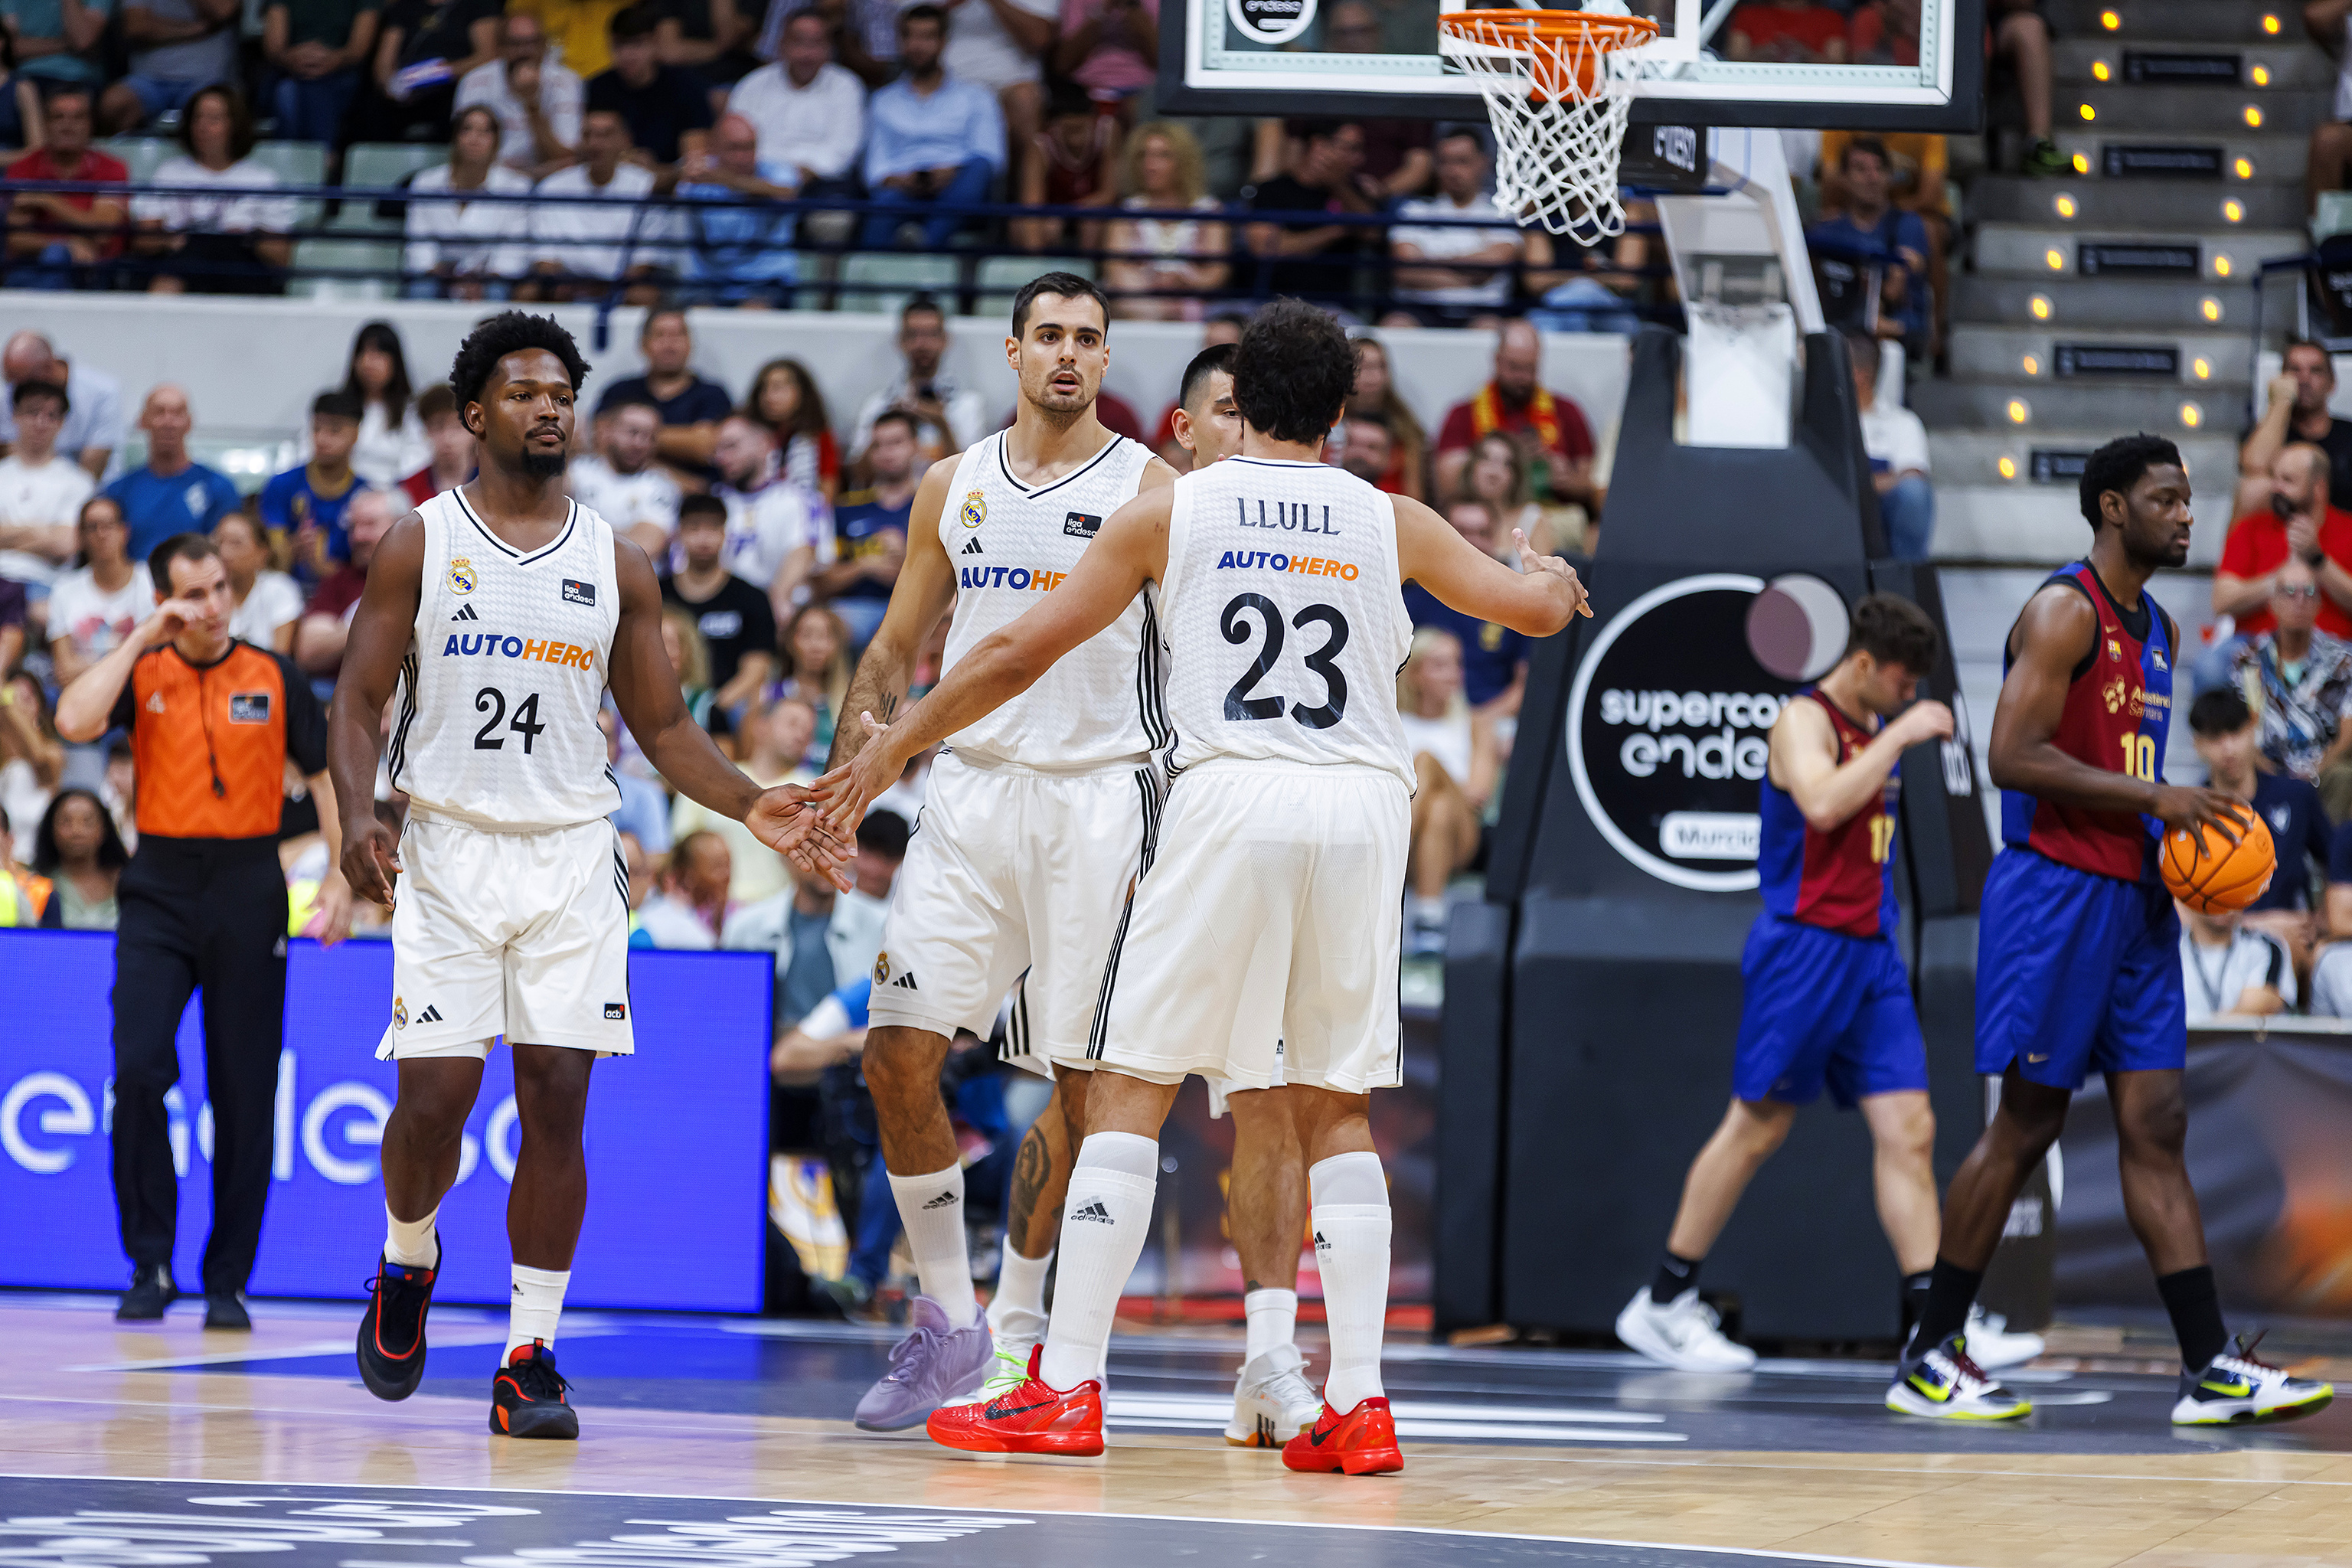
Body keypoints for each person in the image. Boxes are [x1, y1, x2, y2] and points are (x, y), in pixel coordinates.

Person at [811, 297, 1587, 1471]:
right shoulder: (1393, 519)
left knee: (1126, 1086)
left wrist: (893, 745)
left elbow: (1017, 648)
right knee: (1337, 1104)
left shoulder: (1167, 508)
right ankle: (1361, 1403)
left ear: (1234, 407)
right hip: (1362, 809)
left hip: (1227, 800)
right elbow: (1533, 611)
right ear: (1340, 409)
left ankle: (1063, 1385)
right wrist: (1550, 571)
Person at [328, 311, 831, 1439]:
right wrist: (359, 815)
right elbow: (356, 700)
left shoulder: (618, 559)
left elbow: (661, 725)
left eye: (561, 391)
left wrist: (755, 802)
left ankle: (530, 1355)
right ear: (474, 414)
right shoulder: (420, 540)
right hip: (449, 846)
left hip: (568, 854)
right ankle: (409, 1257)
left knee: (557, 1101)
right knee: (435, 1102)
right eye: (523, 391)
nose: (549, 406)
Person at [1890, 434, 2335, 1428]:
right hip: (2054, 896)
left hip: (2133, 903)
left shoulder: (2165, 629)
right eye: (2165, 499)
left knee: (2157, 1126)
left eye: (2187, 499)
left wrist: (2170, 834)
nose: (2186, 515)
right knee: (2027, 1123)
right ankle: (1928, 1353)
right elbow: (2011, 754)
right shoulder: (2062, 611)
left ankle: (2207, 1365)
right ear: (2109, 509)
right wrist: (2158, 797)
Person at [799, 273, 1174, 1433]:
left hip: (1098, 802)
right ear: (1012, 351)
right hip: (966, 798)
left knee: (1077, 1083)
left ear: (1107, 359)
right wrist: (850, 766)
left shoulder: (1153, 489)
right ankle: (951, 1326)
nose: (1068, 356)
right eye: (1049, 337)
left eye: (1089, 340)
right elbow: (898, 642)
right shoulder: (949, 484)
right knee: (894, 1056)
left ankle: (1026, 1340)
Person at [1617, 594, 2032, 1370]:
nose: (1910, 698)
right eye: (1902, 685)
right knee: (1757, 1126)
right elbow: (1822, 799)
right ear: (1866, 664)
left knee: (1911, 1131)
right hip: (1804, 948)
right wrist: (1903, 734)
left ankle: (1934, 1324)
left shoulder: (1877, 718)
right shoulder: (1803, 720)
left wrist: (1894, 729)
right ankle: (1665, 1300)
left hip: (1871, 950)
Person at [54, 531, 356, 1327]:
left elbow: (324, 774)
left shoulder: (272, 671)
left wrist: (337, 875)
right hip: (156, 885)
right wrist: (140, 640)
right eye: (195, 593)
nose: (214, 606)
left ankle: (228, 1278)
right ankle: (149, 1260)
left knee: (245, 1088)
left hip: (248, 885)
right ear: (164, 600)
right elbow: (73, 718)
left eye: (222, 587)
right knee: (141, 1067)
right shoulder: (144, 667)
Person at [2188, 686, 2329, 977]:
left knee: (2313, 949)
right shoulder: (2189, 809)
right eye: (2215, 738)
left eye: (2235, 733)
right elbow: (2179, 903)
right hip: (2214, 942)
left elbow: (2338, 862)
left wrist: (2322, 918)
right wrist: (2257, 924)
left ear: (2253, 729)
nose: (2228, 748)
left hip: (2288, 940)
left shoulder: (2296, 796)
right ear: (2198, 744)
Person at [859, 5, 1007, 252]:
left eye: (927, 37)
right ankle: (862, 286)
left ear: (943, 42)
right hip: (903, 190)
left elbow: (992, 157)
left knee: (978, 170)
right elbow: (875, 167)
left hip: (958, 188)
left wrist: (949, 173)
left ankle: (924, 244)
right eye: (911, 37)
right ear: (901, 42)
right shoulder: (883, 101)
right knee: (884, 202)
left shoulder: (977, 97)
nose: (918, 46)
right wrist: (904, 180)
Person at [127, 87, 296, 296]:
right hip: (179, 259)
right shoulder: (170, 172)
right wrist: (172, 239)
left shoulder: (262, 179)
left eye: (214, 120)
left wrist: (247, 236)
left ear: (234, 126)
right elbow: (144, 241)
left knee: (220, 248)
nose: (202, 127)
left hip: (239, 266)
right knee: (194, 249)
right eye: (197, 119)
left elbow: (281, 257)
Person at [1396, 626, 1501, 956]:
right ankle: (1429, 922)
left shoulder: (1475, 722)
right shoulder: (1392, 720)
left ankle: (1389, 846)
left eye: (1457, 664)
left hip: (1463, 836)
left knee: (1426, 763)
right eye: (1439, 665)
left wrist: (1430, 775)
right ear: (1414, 675)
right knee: (1438, 809)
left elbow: (1478, 794)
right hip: (1426, 836)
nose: (1453, 675)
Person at [1433, 321, 1598, 518]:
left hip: (1550, 516)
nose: (1522, 377)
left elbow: (1594, 483)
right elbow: (1447, 487)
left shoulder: (1567, 411)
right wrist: (1505, 459)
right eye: (1514, 367)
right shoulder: (1463, 414)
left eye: (1529, 368)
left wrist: (1564, 478)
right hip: (1485, 518)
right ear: (1497, 360)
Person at [2226, 555, 2352, 813]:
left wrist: (2317, 771)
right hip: (2265, 769)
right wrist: (2274, 774)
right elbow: (2243, 727)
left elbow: (2348, 731)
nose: (2300, 601)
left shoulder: (2342, 660)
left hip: (2324, 770)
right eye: (2290, 592)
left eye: (2309, 593)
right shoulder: (2249, 660)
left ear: (2319, 604)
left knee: (2344, 777)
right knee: (2234, 772)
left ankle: (2332, 852)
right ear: (2272, 603)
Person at [2214, 443, 2352, 664]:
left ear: (2318, 487)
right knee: (2210, 668)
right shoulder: (2251, 528)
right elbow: (2222, 601)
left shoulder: (2348, 529)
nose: (2276, 488)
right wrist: (2278, 580)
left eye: (2288, 480)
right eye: (2274, 478)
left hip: (2335, 647)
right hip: (2257, 644)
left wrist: (2318, 560)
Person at [528, 109, 676, 304]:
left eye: (605, 135)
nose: (595, 143)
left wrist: (607, 287)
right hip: (566, 288)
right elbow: (544, 261)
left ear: (625, 140)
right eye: (587, 135)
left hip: (623, 289)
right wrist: (565, 283)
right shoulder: (552, 187)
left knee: (644, 295)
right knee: (529, 293)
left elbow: (643, 264)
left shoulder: (646, 187)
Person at [1386, 128, 1524, 328]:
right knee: (1395, 325)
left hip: (1481, 313)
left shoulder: (1501, 213)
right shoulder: (1413, 210)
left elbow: (1493, 264)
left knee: (1490, 329)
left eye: (1462, 161)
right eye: (1445, 162)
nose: (1452, 171)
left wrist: (1428, 263)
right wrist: (1472, 274)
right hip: (1419, 311)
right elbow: (1406, 272)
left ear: (1483, 163)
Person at [1806, 138, 1929, 354]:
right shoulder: (1826, 231)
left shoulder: (1906, 225)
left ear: (1890, 176)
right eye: (1860, 169)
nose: (1872, 178)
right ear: (1844, 178)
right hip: (1834, 328)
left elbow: (1895, 291)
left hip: (1891, 336)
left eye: (1879, 169)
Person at [403, 104, 536, 300]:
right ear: (456, 137)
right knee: (422, 288)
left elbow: (511, 252)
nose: (475, 139)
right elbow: (419, 246)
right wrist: (447, 277)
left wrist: (484, 279)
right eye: (467, 130)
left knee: (496, 292)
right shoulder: (426, 182)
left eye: (484, 132)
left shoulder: (517, 187)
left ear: (496, 142)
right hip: (439, 276)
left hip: (489, 278)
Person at [5, 85, 130, 291]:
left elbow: (101, 232)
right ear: (46, 124)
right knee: (54, 256)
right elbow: (16, 238)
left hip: (96, 271)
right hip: (30, 269)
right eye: (58, 117)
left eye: (77, 118)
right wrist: (67, 243)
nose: (67, 126)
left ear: (90, 125)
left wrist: (46, 200)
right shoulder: (23, 169)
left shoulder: (112, 168)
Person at [1102, 122, 1230, 322]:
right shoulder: (1127, 212)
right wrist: (1152, 283)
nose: (1150, 164)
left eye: (1163, 156)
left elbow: (1217, 273)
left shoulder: (1210, 211)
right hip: (1138, 304)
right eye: (1143, 155)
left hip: (1194, 303)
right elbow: (1115, 270)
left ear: (1184, 163)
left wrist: (1186, 280)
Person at [663, 492, 777, 718]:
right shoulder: (657, 593)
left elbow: (757, 667)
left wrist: (711, 708)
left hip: (728, 706)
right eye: (694, 528)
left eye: (713, 529)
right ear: (679, 533)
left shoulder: (751, 598)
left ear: (725, 534)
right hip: (664, 701)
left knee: (753, 708)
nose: (704, 539)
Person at [724, 8, 866, 190]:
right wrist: (773, 176)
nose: (806, 53)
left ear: (829, 47)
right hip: (757, 180)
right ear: (782, 44)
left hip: (820, 184)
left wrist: (796, 175)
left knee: (834, 215)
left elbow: (843, 152)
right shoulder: (753, 85)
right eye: (798, 42)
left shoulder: (847, 86)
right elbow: (734, 139)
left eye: (815, 43)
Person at [813, 409, 920, 648]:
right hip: (854, 609)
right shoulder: (846, 508)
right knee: (821, 625)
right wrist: (864, 566)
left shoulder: (933, 505)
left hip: (915, 608)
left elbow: (950, 582)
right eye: (877, 445)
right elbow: (820, 584)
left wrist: (903, 561)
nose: (886, 453)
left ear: (916, 446)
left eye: (896, 443)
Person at [1246, 119, 1380, 308]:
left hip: (1332, 308)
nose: (1359, 159)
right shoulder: (1272, 190)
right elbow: (1264, 248)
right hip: (1272, 303)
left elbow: (1373, 231)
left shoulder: (1354, 193)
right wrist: (1335, 231)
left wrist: (1337, 185)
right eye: (1351, 148)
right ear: (1319, 146)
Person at [596, 308, 733, 488]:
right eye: (660, 336)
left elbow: (706, 447)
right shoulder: (619, 391)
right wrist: (668, 470)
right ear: (643, 345)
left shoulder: (713, 395)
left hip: (696, 505)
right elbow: (600, 442)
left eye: (677, 335)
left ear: (690, 344)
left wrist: (631, 437)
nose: (669, 345)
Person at [676, 112, 799, 308]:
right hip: (708, 282)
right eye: (734, 148)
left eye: (749, 147)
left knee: (752, 318)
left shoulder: (777, 171)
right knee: (698, 317)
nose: (743, 157)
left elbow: (786, 193)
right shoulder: (698, 176)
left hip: (766, 280)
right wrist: (679, 173)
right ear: (714, 148)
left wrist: (728, 181)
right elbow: (673, 189)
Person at [710, 413, 830, 614]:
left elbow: (807, 555)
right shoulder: (711, 503)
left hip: (785, 611)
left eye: (731, 446)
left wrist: (772, 605)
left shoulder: (801, 500)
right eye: (718, 450)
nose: (722, 458)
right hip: (722, 612)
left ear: (765, 445)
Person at [103, 386, 240, 561]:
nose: (168, 422)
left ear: (189, 422)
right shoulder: (119, 491)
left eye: (177, 413)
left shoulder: (218, 487)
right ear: (142, 421)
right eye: (159, 412)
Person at [0, 378, 96, 618]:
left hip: (46, 585)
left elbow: (65, 545)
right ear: (15, 416)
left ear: (62, 423)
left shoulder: (78, 481)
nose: (41, 423)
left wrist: (7, 536)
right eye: (32, 413)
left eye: (51, 415)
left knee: (52, 616)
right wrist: (43, 534)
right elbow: (53, 541)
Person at [851, 296, 989, 459]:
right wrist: (887, 425)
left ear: (945, 340)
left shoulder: (968, 406)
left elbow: (972, 473)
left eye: (931, 335)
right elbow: (856, 474)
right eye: (913, 335)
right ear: (901, 341)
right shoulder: (878, 405)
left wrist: (942, 424)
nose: (922, 344)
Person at [452, 10, 582, 178]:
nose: (524, 52)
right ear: (500, 48)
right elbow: (465, 152)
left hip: (551, 181)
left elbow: (565, 157)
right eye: (515, 44)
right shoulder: (474, 81)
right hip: (490, 180)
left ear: (544, 45)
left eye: (531, 43)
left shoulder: (567, 81)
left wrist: (531, 103)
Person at [2239, 341, 2352, 530]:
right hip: (2279, 534)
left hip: (2342, 537)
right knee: (2253, 488)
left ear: (2332, 382)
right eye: (2295, 370)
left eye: (2315, 371)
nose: (2304, 379)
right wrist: (2281, 401)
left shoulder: (2348, 434)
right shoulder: (2269, 431)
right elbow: (2254, 468)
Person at [588, 3, 711, 169]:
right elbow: (591, 149)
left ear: (655, 43)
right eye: (620, 45)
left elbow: (695, 160)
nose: (628, 55)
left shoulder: (686, 86)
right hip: (614, 181)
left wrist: (654, 170)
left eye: (637, 44)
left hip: (671, 187)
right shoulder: (599, 87)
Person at [361, 0, 502, 145]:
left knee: (455, 108)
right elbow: (384, 61)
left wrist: (436, 72)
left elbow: (488, 56)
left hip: (454, 86)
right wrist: (391, 85)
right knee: (371, 108)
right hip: (407, 88)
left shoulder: (479, 5)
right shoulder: (403, 7)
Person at [46, 496, 149, 688]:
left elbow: (151, 660)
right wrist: (126, 659)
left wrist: (86, 665)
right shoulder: (64, 590)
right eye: (92, 527)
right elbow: (64, 671)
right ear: (82, 537)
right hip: (84, 694)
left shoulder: (149, 581)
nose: (101, 534)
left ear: (124, 531)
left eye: (108, 525)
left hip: (138, 693)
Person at [294, 485, 396, 679]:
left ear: (402, 526)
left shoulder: (424, 578)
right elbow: (308, 651)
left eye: (369, 525)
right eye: (353, 527)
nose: (358, 536)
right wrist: (377, 624)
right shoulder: (339, 581)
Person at [260, 390, 365, 577]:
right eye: (316, 429)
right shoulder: (281, 485)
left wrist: (322, 566)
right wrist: (294, 548)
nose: (322, 439)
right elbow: (267, 561)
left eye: (334, 430)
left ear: (356, 434)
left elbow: (367, 573)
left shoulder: (366, 495)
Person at [1849, 328, 1933, 560]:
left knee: (1913, 494)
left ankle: (1904, 580)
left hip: (1878, 514)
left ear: (1859, 375)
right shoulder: (1823, 422)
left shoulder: (1901, 423)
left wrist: (1860, 485)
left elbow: (1912, 476)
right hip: (1834, 511)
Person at [97, 0, 238, 132]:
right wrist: (194, 30)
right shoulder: (196, 29)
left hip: (206, 78)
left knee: (210, 111)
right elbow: (137, 27)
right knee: (114, 104)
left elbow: (223, 11)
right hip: (150, 79)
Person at [1011, 84, 1120, 255]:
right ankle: (1043, 274)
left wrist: (1071, 210)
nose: (1076, 140)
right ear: (1054, 126)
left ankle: (1087, 274)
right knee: (1026, 226)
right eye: (1069, 130)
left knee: (1092, 223)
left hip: (1090, 212)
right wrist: (1035, 256)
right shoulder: (1041, 146)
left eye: (1080, 129)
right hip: (1053, 214)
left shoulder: (1107, 133)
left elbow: (1109, 193)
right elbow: (1032, 204)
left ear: (1093, 121)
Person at [567, 394, 681, 557]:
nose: (640, 444)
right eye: (632, 432)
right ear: (608, 430)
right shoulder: (578, 470)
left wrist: (579, 534)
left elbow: (643, 547)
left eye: (650, 437)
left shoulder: (660, 486)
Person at [0, 331, 122, 481]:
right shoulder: (9, 392)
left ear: (48, 369)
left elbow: (93, 467)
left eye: (20, 381)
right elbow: (12, 458)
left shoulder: (103, 392)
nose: (13, 390)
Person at [330, 322, 433, 491]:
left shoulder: (412, 411)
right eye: (363, 352)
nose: (369, 362)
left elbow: (418, 460)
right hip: (342, 493)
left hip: (394, 496)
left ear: (395, 361)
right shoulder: (337, 407)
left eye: (378, 354)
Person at [263, 0, 379, 147]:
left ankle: (291, 161)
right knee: (289, 92)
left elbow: (359, 48)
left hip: (343, 74)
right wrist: (293, 59)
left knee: (290, 93)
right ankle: (325, 157)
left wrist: (334, 59)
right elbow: (274, 48)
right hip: (289, 73)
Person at [2179, 903, 2295, 1024]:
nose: (2222, 898)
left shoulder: (2265, 948)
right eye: (2212, 888)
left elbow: (2258, 1006)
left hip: (2245, 1043)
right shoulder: (2166, 949)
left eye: (2230, 888)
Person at [1342, 335, 1424, 502]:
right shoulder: (1323, 422)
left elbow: (1414, 497)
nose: (1373, 376)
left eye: (1379, 367)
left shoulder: (1407, 428)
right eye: (1363, 367)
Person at [31, 784, 125, 929]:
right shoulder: (38, 886)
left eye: (88, 822)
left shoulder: (126, 881)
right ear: (51, 829)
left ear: (103, 829)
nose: (77, 832)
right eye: (66, 822)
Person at [747, 358, 838, 501]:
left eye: (778, 388)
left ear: (802, 392)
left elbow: (827, 488)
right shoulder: (748, 433)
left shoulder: (819, 436)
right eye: (764, 389)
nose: (769, 397)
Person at [214, 511, 304, 653]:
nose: (224, 553)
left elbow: (280, 658)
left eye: (236, 544)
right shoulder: (206, 596)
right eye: (219, 543)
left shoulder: (280, 589)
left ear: (262, 553)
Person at [772, 603, 851, 763]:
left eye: (826, 636)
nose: (816, 646)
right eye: (807, 635)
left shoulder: (851, 703)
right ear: (790, 641)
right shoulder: (769, 696)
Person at [633, 827, 733, 946]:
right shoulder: (661, 925)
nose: (726, 875)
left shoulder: (735, 915)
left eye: (728, 864)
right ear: (687, 875)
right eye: (718, 867)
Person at [0, 671, 60, 863]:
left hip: (35, 860)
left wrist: (11, 707)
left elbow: (40, 759)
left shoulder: (53, 751)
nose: (21, 704)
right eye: (15, 697)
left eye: (29, 697)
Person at [401, 384, 475, 505]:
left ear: (474, 430)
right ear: (426, 430)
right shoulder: (408, 489)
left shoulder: (494, 484)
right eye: (437, 427)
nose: (448, 439)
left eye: (457, 427)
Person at [1725, 0, 1845, 61]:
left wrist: (1804, 54)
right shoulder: (1747, 15)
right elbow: (1734, 59)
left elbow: (1837, 64)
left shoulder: (1831, 18)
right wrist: (1764, 53)